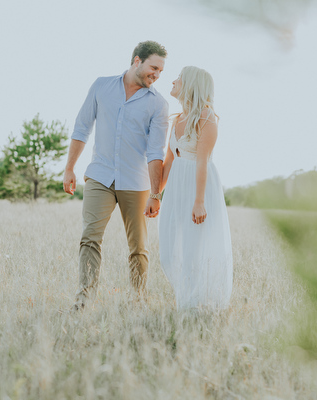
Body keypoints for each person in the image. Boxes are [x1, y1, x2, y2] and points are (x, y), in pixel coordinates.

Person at [63, 41, 169, 310]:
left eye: (160, 71)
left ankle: (138, 300)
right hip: (100, 175)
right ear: (137, 61)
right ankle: (84, 298)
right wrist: (69, 168)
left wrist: (156, 194)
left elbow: (156, 152)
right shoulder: (102, 86)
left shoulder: (158, 104)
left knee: (138, 246)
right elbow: (82, 127)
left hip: (135, 182)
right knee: (90, 238)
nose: (156, 74)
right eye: (153, 67)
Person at [158, 66, 233, 310]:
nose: (173, 81)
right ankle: (188, 299)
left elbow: (202, 162)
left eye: (178, 78)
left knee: (192, 251)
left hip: (198, 187)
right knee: (169, 252)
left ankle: (191, 307)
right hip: (176, 187)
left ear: (190, 85)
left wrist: (199, 201)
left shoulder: (207, 118)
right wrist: (155, 195)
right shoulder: (177, 120)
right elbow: (168, 161)